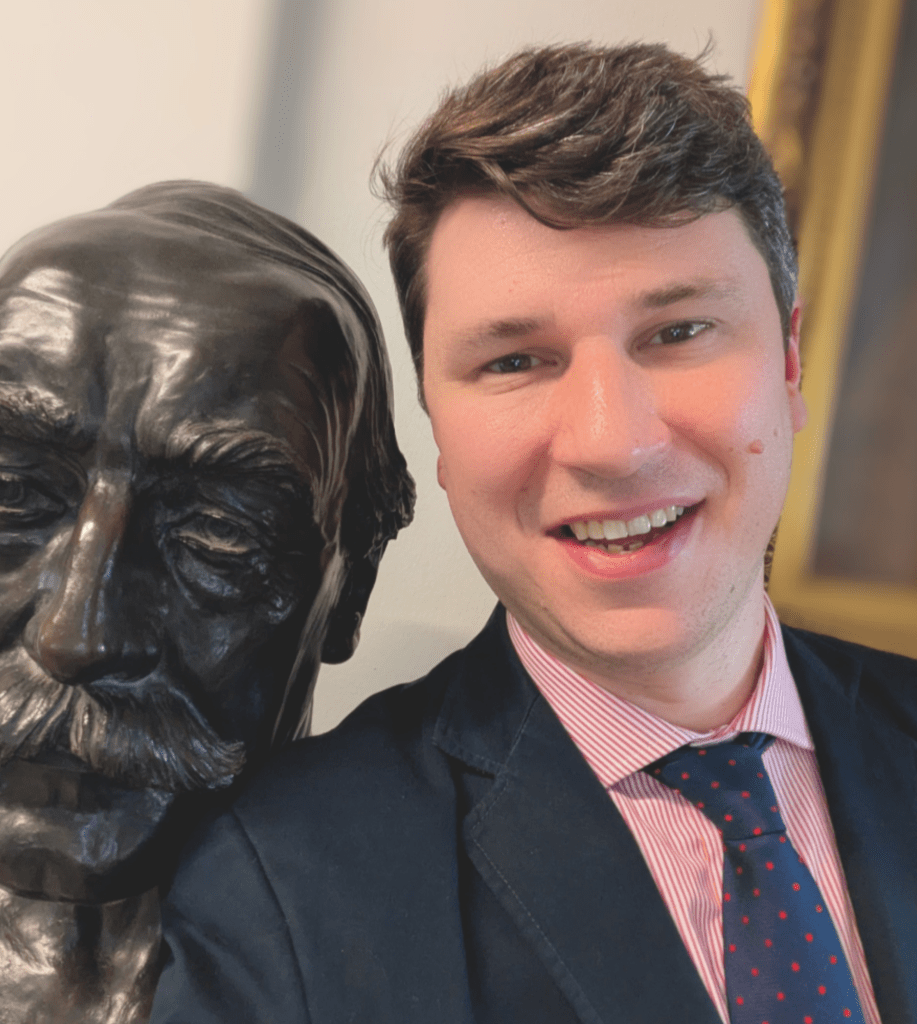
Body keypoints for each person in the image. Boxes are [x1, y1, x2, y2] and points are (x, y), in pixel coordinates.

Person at [148, 45, 917, 1024]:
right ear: (436, 425)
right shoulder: (283, 894)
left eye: (678, 332)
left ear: (791, 362)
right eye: (515, 360)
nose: (613, 442)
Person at [0, 180, 414, 1023]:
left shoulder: (415, 954)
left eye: (215, 536)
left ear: (350, 587)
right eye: (5, 493)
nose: (72, 636)